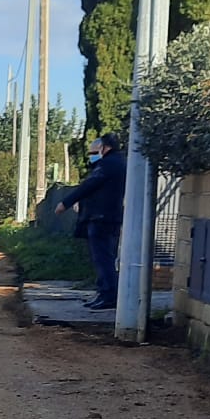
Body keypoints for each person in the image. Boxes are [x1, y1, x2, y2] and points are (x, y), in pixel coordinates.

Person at [55, 132, 127, 310]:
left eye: (94, 151)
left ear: (105, 147)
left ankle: (108, 295)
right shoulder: (118, 163)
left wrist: (65, 202)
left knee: (103, 259)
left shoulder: (108, 164)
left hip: (102, 219)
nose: (92, 156)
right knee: (104, 258)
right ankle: (103, 293)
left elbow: (88, 186)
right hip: (107, 218)